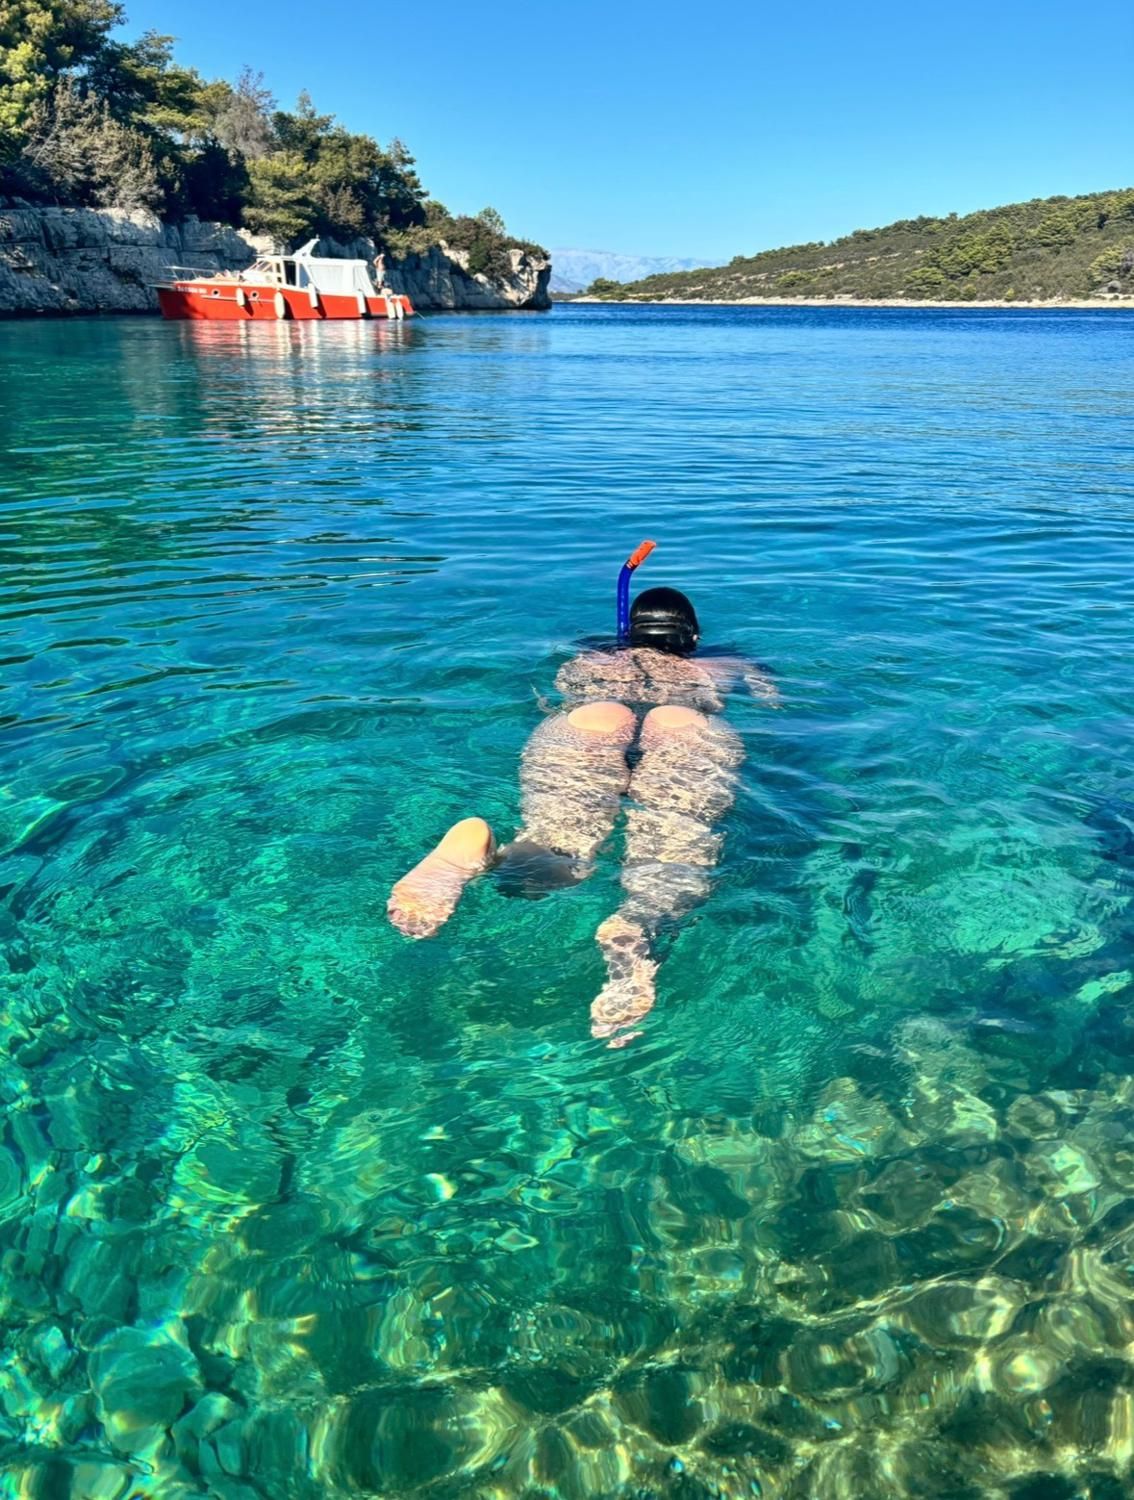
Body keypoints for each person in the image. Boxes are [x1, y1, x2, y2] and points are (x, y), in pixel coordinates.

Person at [387, 580, 778, 1044]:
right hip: (685, 723)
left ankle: (483, 850)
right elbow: (774, 702)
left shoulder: (593, 655)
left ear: (631, 630)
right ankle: (642, 919)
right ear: (692, 635)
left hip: (588, 720)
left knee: (558, 841)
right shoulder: (728, 660)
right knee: (676, 835)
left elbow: (547, 688)